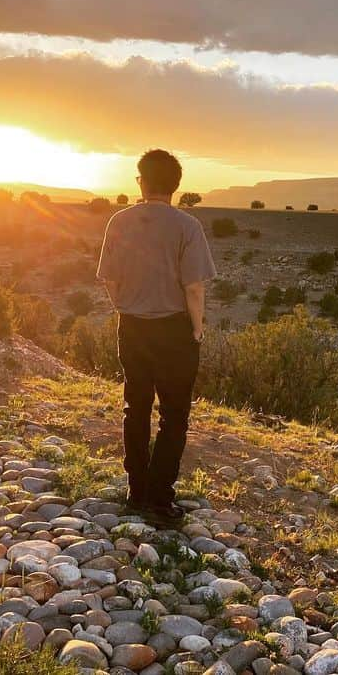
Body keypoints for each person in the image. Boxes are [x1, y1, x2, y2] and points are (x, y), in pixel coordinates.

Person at [97, 149, 216, 523]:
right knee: (174, 416)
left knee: (136, 407)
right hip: (175, 330)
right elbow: (194, 287)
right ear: (177, 186)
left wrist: (125, 306)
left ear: (141, 181)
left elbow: (109, 279)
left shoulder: (119, 220)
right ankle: (160, 498)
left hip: (132, 325)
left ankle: (136, 489)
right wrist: (197, 328)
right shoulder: (187, 226)